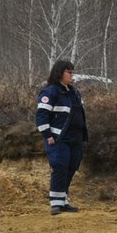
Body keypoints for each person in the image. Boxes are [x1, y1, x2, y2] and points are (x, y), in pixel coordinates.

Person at [35, 59, 88, 215]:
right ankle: (55, 203)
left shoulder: (74, 92)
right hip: (59, 138)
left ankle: (63, 200)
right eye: (69, 72)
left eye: (73, 72)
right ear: (60, 73)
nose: (72, 76)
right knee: (60, 166)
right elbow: (41, 116)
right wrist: (48, 135)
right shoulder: (51, 91)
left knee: (72, 167)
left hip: (76, 138)